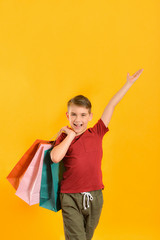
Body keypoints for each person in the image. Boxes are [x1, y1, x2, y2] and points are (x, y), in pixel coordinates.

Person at [50, 69, 143, 240]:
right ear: (67, 116)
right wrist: (70, 136)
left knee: (86, 237)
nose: (78, 119)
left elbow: (111, 105)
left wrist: (128, 84)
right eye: (74, 115)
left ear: (90, 116)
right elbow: (55, 157)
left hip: (95, 196)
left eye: (83, 115)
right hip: (70, 197)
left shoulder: (97, 131)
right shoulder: (64, 137)